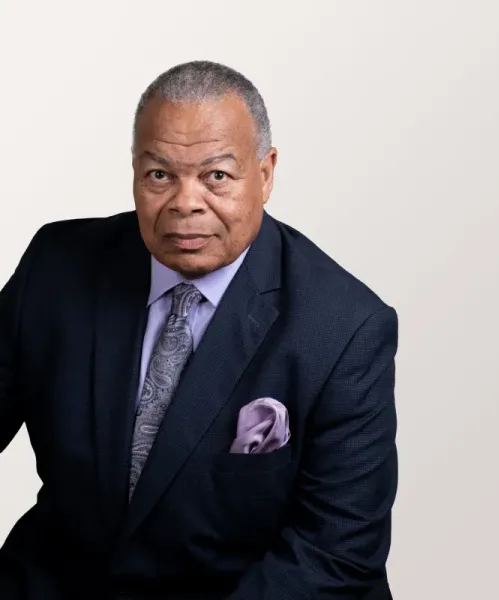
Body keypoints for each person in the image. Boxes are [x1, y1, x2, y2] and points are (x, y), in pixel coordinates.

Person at [0, 60, 398, 599]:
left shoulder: (344, 327)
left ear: (265, 173)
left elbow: (336, 553)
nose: (186, 203)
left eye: (217, 176)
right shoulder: (57, 266)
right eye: (160, 174)